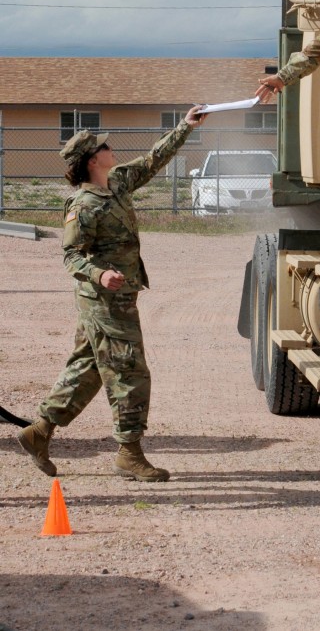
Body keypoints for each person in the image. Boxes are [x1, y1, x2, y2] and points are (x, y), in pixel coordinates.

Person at [17, 105, 206, 482]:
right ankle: (129, 453)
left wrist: (185, 127)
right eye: (103, 146)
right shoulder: (84, 205)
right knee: (129, 371)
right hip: (103, 301)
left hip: (119, 297)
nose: (110, 148)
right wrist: (100, 274)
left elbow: (154, 160)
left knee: (88, 368)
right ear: (91, 161)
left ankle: (39, 432)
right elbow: (71, 256)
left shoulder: (117, 181)